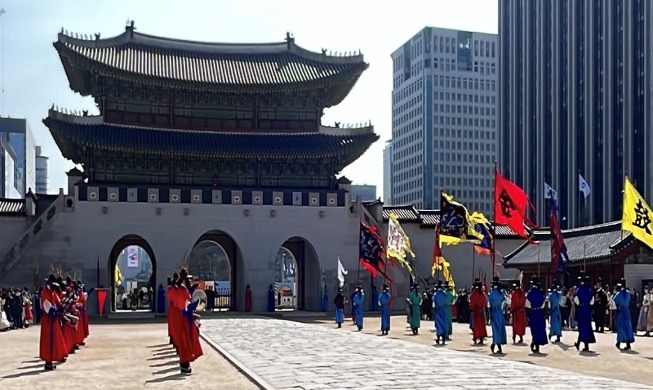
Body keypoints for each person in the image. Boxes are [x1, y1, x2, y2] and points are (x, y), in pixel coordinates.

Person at [173, 269, 203, 374]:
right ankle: (185, 365)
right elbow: (187, 306)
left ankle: (184, 364)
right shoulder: (184, 290)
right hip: (185, 319)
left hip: (180, 317)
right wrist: (196, 306)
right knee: (186, 342)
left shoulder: (177, 289)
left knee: (182, 342)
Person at [39, 275, 67, 371]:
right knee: (48, 341)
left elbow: (57, 302)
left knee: (55, 339)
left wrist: (62, 306)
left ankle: (51, 360)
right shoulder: (45, 294)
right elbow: (48, 309)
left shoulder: (52, 292)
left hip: (53, 320)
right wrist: (57, 309)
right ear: (49, 284)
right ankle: (48, 362)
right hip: (48, 321)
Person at [574, 272, 596, 352]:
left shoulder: (579, 290)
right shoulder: (590, 290)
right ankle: (581, 344)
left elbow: (576, 301)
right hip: (587, 310)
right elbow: (592, 302)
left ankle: (580, 344)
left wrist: (580, 304)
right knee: (587, 326)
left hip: (581, 309)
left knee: (581, 327)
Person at [526, 277, 547, 354]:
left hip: (533, 313)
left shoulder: (530, 293)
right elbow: (543, 305)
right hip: (539, 312)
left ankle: (534, 342)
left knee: (534, 329)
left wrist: (527, 315)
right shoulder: (541, 293)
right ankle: (537, 345)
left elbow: (527, 305)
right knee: (540, 328)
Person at [613, 278, 634, 350]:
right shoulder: (628, 293)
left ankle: (619, 342)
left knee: (620, 327)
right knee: (627, 326)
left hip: (620, 311)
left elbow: (614, 301)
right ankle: (628, 343)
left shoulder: (618, 294)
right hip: (627, 311)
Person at [488, 277, 507, 354]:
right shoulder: (501, 293)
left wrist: (490, 315)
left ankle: (495, 344)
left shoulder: (492, 294)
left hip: (494, 312)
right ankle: (498, 346)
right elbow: (505, 301)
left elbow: (489, 305)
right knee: (500, 328)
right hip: (500, 312)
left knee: (495, 329)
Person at [469, 279, 487, 345]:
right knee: (482, 325)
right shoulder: (482, 294)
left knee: (475, 325)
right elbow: (485, 303)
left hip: (476, 311)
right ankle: (481, 338)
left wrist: (471, 308)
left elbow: (471, 302)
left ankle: (476, 337)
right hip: (481, 311)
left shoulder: (474, 294)